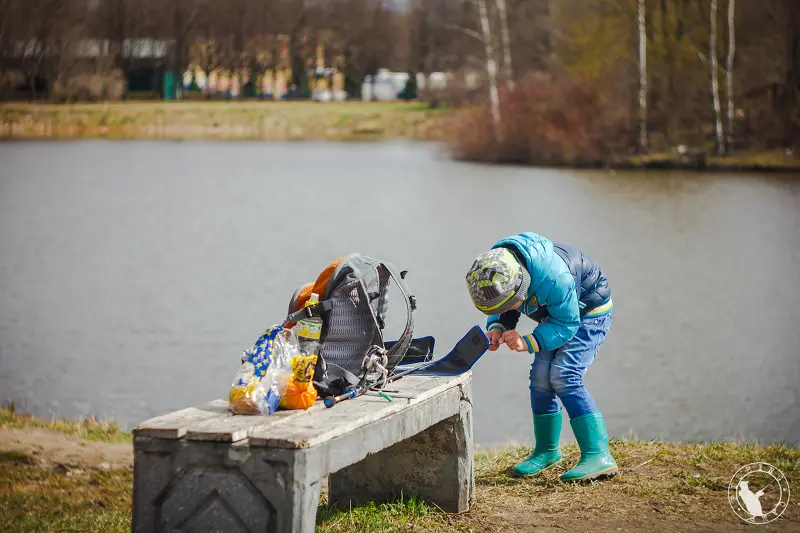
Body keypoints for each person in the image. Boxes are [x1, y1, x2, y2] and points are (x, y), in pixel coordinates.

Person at [465, 232, 617, 481]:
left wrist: (528, 342)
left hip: (588, 313)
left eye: (506, 306)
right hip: (554, 315)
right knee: (540, 377)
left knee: (564, 375)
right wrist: (497, 327)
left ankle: (598, 455)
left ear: (521, 290)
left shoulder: (555, 279)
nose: (504, 311)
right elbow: (503, 308)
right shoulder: (498, 273)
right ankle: (547, 450)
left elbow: (567, 323)